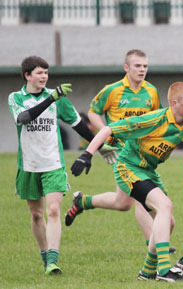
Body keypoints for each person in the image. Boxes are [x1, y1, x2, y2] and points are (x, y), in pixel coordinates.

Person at [70, 81, 183, 282]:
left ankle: (147, 271)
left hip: (148, 172)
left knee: (168, 222)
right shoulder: (154, 119)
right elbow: (108, 129)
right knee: (164, 205)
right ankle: (164, 269)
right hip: (128, 168)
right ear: (174, 103)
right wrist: (87, 154)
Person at [7, 56, 116, 276]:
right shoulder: (16, 97)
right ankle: (45, 254)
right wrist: (51, 98)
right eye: (39, 73)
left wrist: (100, 146)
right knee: (36, 215)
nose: (44, 77)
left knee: (54, 210)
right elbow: (24, 118)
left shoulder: (57, 99)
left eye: (46, 73)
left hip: (53, 164)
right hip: (28, 164)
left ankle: (53, 262)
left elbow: (78, 124)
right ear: (27, 75)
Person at [64, 49, 175, 253]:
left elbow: (156, 120)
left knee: (123, 202)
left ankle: (83, 202)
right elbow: (93, 113)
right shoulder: (113, 90)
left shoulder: (151, 91)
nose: (142, 70)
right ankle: (157, 246)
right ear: (126, 68)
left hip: (142, 152)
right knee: (142, 196)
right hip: (121, 153)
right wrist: (106, 135)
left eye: (145, 66)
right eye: (137, 66)